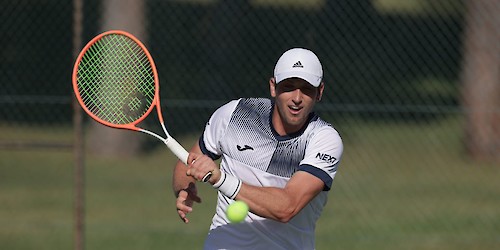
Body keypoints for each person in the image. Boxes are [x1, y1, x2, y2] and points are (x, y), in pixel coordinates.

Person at [172, 48, 343, 249]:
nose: (297, 98)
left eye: (306, 89)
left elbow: (287, 207)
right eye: (288, 87)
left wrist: (220, 179)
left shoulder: (323, 139)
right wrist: (184, 188)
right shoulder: (234, 115)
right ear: (273, 87)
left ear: (319, 92)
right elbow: (190, 163)